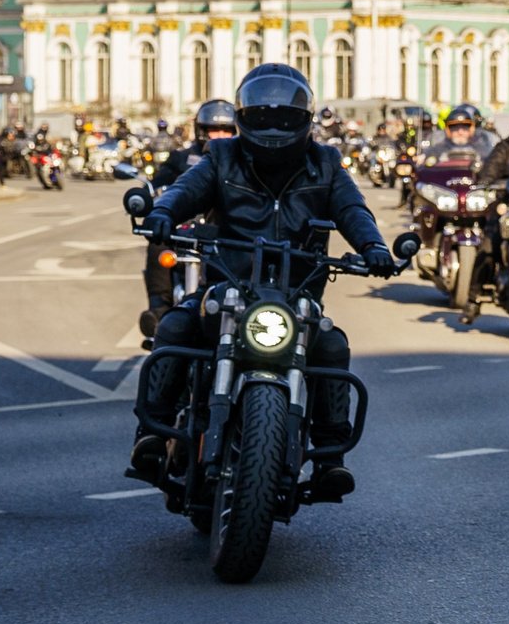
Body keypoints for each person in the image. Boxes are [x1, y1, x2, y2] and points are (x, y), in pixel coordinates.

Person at [132, 65, 396, 503]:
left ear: (305, 119)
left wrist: (374, 247)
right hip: (228, 283)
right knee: (175, 326)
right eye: (263, 115)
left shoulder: (325, 163)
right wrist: (163, 213)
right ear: (244, 116)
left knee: (332, 346)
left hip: (297, 293)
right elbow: (187, 188)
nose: (274, 126)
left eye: (285, 117)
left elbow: (352, 209)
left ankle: (330, 458)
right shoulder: (222, 157)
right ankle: (153, 435)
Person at [139, 98, 237, 337]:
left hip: (222, 231)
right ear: (202, 131)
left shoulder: (241, 163)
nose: (221, 135)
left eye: (227, 130)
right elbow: (160, 184)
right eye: (215, 130)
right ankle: (159, 308)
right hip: (184, 227)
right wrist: (153, 198)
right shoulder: (182, 158)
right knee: (158, 244)